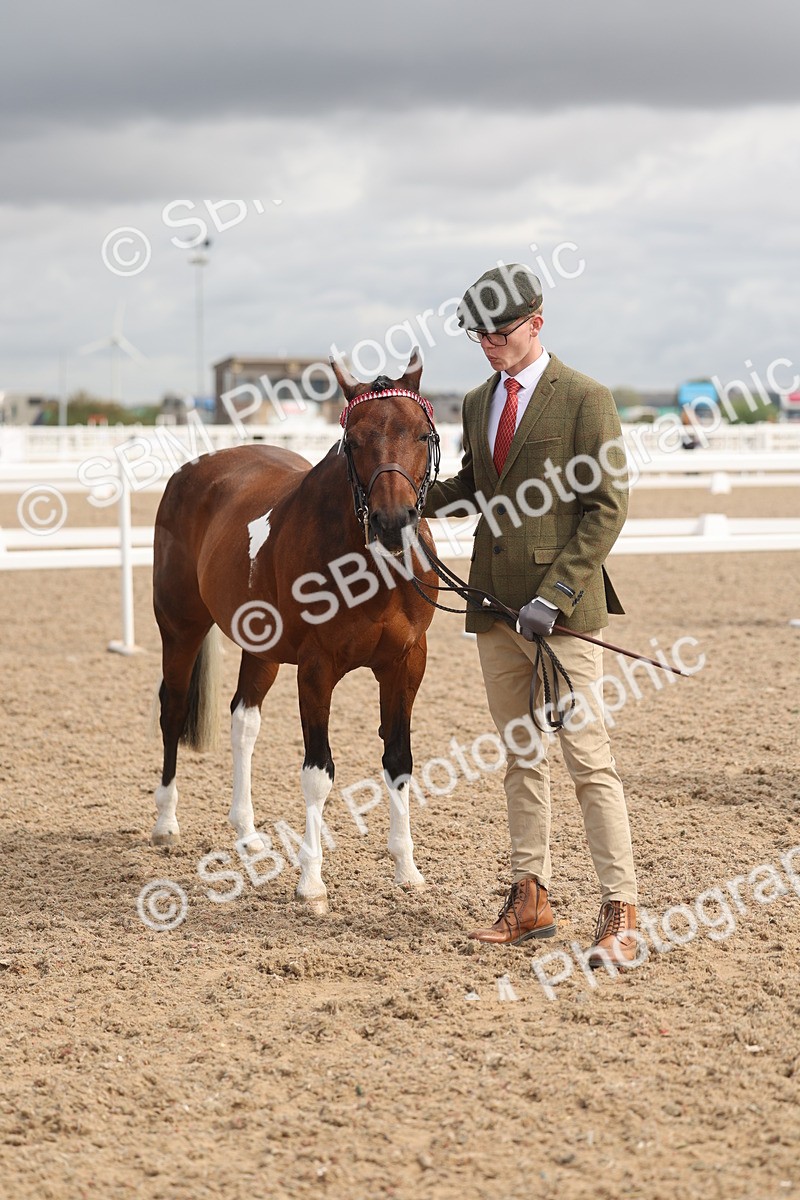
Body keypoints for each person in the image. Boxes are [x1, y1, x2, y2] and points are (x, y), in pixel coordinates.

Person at [424, 263, 638, 967]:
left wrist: (556, 595)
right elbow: (476, 485)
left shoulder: (585, 398)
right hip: (492, 608)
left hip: (561, 617)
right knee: (520, 759)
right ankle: (530, 898)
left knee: (589, 761)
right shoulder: (477, 400)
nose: (488, 344)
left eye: (500, 333)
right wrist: (410, 498)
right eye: (478, 335)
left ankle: (620, 908)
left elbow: (607, 507)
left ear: (536, 324)